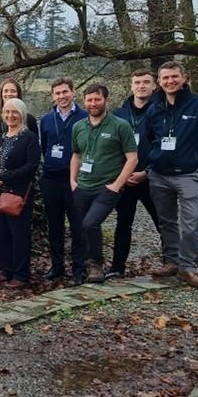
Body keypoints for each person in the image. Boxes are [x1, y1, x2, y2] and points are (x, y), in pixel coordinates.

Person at [145, 61, 198, 289]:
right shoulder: (154, 108)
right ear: (159, 82)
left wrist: (194, 155)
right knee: (166, 221)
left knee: (192, 222)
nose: (170, 81)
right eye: (165, 78)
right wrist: (156, 159)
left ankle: (187, 268)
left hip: (189, 175)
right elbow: (150, 138)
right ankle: (171, 262)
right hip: (159, 175)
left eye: (174, 77)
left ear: (184, 78)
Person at [70, 85, 138, 284]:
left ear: (105, 100)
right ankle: (81, 266)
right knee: (81, 227)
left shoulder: (120, 125)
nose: (93, 104)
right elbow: (75, 155)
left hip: (107, 187)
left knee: (91, 223)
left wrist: (117, 184)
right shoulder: (78, 126)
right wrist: (72, 181)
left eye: (97, 100)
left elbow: (132, 158)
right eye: (89, 100)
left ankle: (96, 265)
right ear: (84, 101)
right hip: (82, 185)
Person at [110, 70, 161, 277]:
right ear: (131, 86)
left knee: (162, 222)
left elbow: (163, 147)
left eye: (146, 82)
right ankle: (117, 268)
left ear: (154, 86)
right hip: (126, 179)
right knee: (123, 224)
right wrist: (121, 175)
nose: (141, 86)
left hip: (152, 177)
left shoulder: (161, 111)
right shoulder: (118, 114)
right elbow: (111, 148)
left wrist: (146, 172)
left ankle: (172, 263)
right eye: (137, 82)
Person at [0, 98, 40, 288]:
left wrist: (4, 176)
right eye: (7, 112)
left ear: (22, 114)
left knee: (19, 235)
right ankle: (6, 269)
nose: (10, 116)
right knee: (2, 234)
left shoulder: (30, 138)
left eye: (14, 112)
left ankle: (21, 274)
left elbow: (31, 166)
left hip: (18, 194)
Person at [39, 77, 88, 282]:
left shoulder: (85, 117)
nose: (62, 96)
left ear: (73, 91)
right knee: (55, 225)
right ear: (53, 96)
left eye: (65, 92)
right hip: (51, 177)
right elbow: (44, 147)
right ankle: (57, 265)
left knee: (78, 225)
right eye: (57, 93)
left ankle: (79, 268)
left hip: (76, 179)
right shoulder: (47, 119)